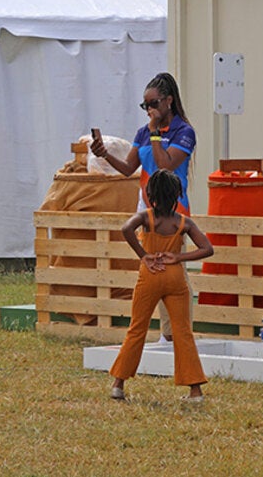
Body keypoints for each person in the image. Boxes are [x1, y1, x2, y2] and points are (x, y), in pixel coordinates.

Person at [91, 72, 197, 338]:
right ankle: (168, 332)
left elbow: (165, 165)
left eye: (154, 104)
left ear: (169, 101)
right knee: (154, 267)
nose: (149, 110)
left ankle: (178, 332)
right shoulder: (144, 132)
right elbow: (129, 168)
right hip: (147, 209)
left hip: (174, 210)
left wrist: (154, 135)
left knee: (174, 271)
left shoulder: (184, 132)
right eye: (145, 105)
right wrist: (105, 154)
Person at [109, 169, 213, 402]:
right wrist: (178, 258)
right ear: (177, 195)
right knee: (183, 332)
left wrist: (143, 255)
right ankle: (195, 390)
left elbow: (126, 228)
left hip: (150, 274)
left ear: (151, 194)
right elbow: (207, 248)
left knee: (137, 329)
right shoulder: (183, 222)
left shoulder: (146, 217)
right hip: (175, 277)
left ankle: (119, 384)